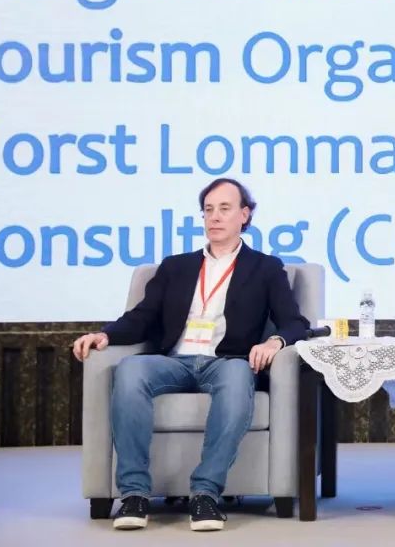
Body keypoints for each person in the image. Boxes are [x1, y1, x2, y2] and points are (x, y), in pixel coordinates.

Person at [72, 178, 310, 532]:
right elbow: (141, 317)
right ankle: (134, 494)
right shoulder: (175, 267)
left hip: (227, 362)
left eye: (225, 208)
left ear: (244, 215)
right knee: (130, 370)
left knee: (238, 376)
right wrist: (104, 334)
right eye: (208, 210)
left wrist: (275, 342)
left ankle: (205, 495)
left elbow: (295, 322)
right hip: (174, 361)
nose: (215, 217)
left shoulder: (265, 268)